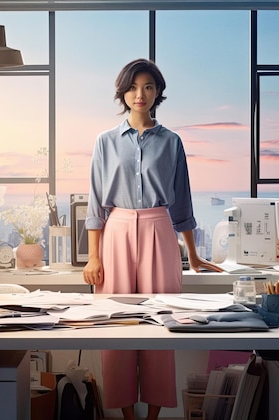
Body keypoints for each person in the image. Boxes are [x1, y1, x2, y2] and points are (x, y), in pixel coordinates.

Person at [83, 58, 222, 420]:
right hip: (116, 230)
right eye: (132, 87)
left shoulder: (172, 143)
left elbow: (183, 204)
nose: (139, 94)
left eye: (147, 86)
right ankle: (128, 416)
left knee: (163, 323)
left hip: (160, 231)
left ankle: (152, 418)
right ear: (123, 93)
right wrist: (93, 257)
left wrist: (193, 255)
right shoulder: (104, 142)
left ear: (157, 91)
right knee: (116, 324)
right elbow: (96, 204)